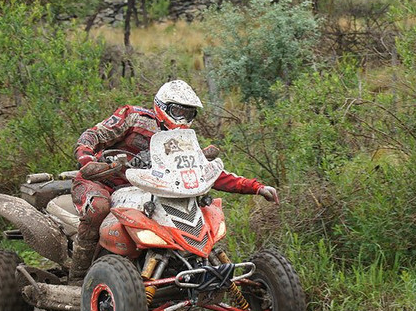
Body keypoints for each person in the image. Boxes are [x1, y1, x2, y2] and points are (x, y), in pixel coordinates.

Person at [69, 79, 279, 280]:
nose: (183, 119)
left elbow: (203, 171)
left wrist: (256, 187)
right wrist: (87, 157)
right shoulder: (133, 117)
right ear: (162, 107)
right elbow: (92, 135)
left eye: (189, 113)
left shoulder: (183, 140)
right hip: (101, 180)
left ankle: (177, 269)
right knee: (99, 207)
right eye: (178, 111)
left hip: (142, 189)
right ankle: (79, 275)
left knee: (190, 208)